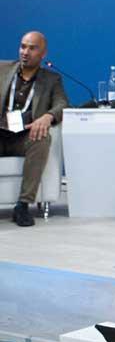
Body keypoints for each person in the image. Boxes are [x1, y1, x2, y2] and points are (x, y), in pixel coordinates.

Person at [0, 31, 69, 227]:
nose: (25, 52)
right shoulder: (2, 69)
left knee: (41, 139)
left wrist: (48, 116)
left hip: (25, 136)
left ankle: (23, 205)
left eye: (32, 48)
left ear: (43, 53)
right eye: (23, 47)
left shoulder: (51, 79)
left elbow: (62, 104)